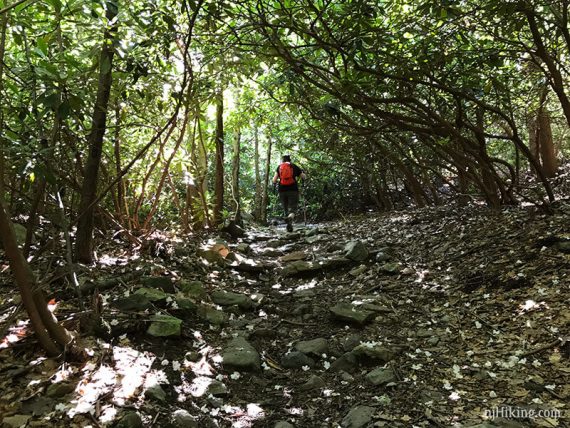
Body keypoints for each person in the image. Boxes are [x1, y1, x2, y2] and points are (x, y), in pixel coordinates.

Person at [273, 155, 306, 232]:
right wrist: (303, 173)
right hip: (293, 190)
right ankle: (290, 218)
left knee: (285, 209)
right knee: (293, 208)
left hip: (282, 190)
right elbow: (303, 177)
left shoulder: (279, 167)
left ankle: (288, 224)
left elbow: (274, 180)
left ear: (282, 160)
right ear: (290, 160)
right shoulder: (293, 166)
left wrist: (278, 182)